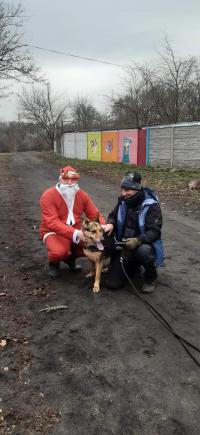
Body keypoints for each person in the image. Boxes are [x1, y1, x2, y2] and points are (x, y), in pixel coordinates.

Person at [103, 171, 164, 293]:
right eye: (122, 189)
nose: (123, 193)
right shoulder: (123, 200)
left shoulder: (151, 205)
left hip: (141, 245)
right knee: (112, 284)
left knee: (144, 251)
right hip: (124, 247)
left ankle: (151, 277)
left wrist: (138, 240)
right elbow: (113, 215)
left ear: (136, 189)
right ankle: (131, 267)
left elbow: (155, 232)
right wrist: (110, 223)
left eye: (127, 190)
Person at [39, 165, 105, 278]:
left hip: (75, 229)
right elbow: (52, 222)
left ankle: (70, 259)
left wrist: (102, 228)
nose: (70, 183)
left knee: (95, 244)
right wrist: (75, 233)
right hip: (53, 231)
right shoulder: (48, 196)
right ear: (60, 179)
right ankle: (54, 264)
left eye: (73, 179)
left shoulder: (82, 195)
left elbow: (95, 215)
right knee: (59, 251)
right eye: (66, 179)